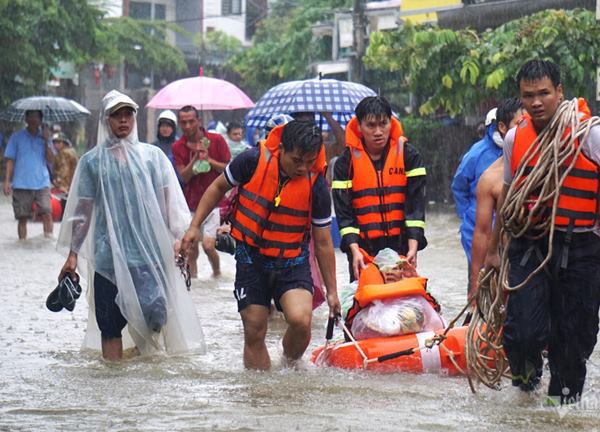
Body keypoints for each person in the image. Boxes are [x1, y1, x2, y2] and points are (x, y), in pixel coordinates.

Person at [179, 120, 341, 370]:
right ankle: (260, 395)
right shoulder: (252, 160)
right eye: (297, 160)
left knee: (301, 321)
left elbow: (322, 241)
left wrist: (332, 291)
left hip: (292, 262)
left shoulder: (316, 185)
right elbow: (218, 187)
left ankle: (288, 364)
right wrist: (193, 227)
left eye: (309, 161)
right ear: (282, 149)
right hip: (251, 259)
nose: (303, 168)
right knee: (254, 329)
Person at [56, 90, 205, 361]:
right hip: (107, 259)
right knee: (110, 327)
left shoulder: (152, 157)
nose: (123, 120)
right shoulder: (92, 162)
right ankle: (114, 387)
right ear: (106, 120)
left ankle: (143, 375)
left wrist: (177, 239)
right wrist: (72, 254)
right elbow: (83, 212)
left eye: (128, 114)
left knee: (156, 316)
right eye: (116, 115)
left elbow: (167, 203)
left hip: (148, 256)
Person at [487, 60, 600, 404]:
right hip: (529, 243)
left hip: (581, 246)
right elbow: (508, 195)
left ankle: (558, 413)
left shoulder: (590, 135)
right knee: (522, 334)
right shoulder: (513, 138)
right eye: (528, 96)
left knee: (573, 341)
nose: (536, 102)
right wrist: (494, 250)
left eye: (544, 94)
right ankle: (525, 389)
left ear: (559, 92)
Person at [332, 96, 427, 282]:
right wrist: (354, 250)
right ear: (359, 126)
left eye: (383, 124)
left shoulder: (409, 155)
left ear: (391, 123)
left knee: (402, 305)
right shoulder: (346, 163)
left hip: (400, 247)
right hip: (362, 250)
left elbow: (416, 206)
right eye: (371, 125)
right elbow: (344, 214)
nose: (378, 132)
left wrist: (413, 248)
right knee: (366, 303)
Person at [467, 97, 523, 296]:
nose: (526, 131)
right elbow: (482, 232)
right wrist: (475, 287)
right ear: (502, 128)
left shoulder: (555, 165)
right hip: (509, 261)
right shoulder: (490, 178)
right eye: (519, 125)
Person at [172, 105, 231, 279]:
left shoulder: (217, 140)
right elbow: (183, 176)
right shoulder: (178, 146)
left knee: (208, 245)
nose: (188, 126)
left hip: (214, 203)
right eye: (183, 122)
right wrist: (195, 160)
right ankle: (194, 283)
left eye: (191, 121)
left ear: (199, 121)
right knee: (191, 248)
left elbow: (228, 169)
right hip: (190, 203)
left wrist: (209, 160)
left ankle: (217, 274)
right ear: (179, 124)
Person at [451, 107, 504, 276]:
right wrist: (466, 213)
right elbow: (459, 186)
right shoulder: (476, 154)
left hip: (504, 228)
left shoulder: (515, 150)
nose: (500, 131)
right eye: (496, 126)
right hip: (476, 226)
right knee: (478, 276)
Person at [3, 110, 55, 239]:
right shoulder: (16, 137)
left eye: (36, 117)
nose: (33, 120)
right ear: (25, 119)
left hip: (42, 183)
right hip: (21, 183)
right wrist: (7, 181)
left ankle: (48, 242)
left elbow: (51, 159)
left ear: (41, 120)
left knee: (47, 214)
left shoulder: (45, 138)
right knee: (22, 218)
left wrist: (47, 141)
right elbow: (10, 160)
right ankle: (22, 244)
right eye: (30, 117)